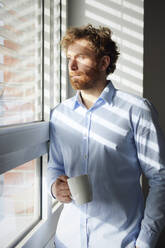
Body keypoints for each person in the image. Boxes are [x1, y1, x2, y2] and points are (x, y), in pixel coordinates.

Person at [47, 24, 165, 248]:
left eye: (81, 57)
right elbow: (55, 166)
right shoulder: (60, 114)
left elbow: (160, 179)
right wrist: (55, 188)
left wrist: (145, 242)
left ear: (104, 62)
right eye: (69, 58)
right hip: (66, 240)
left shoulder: (137, 110)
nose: (71, 66)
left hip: (120, 242)